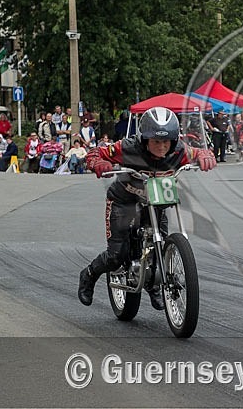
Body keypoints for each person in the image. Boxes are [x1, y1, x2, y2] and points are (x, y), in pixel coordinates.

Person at [77, 107, 216, 308]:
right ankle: (89, 274)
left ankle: (154, 285)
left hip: (156, 203)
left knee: (162, 245)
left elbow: (200, 152)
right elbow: (95, 152)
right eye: (156, 142)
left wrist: (205, 156)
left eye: (166, 141)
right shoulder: (126, 147)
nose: (161, 147)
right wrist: (97, 162)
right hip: (123, 202)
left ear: (174, 141)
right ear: (144, 140)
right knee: (117, 255)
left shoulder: (180, 151)